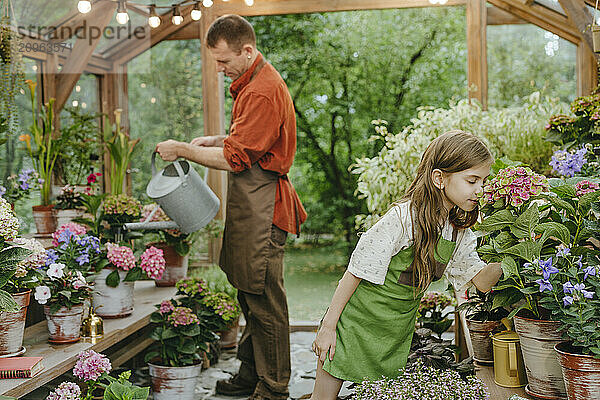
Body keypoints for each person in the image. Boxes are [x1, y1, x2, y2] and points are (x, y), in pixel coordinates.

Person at [155, 14, 307, 400]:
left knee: (265, 301)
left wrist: (185, 149)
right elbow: (252, 139)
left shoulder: (260, 90)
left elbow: (237, 158)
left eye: (223, 62)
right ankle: (251, 374)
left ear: (247, 50)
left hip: (265, 208)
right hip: (250, 205)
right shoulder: (253, 82)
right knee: (247, 292)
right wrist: (214, 138)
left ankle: (274, 388)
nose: (220, 70)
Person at [309, 130, 503, 400]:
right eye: (472, 180)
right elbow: (355, 272)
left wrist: (514, 251)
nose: (480, 190)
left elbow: (481, 280)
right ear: (439, 178)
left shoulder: (457, 231)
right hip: (353, 325)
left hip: (393, 333)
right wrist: (328, 328)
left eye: (483, 181)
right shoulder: (402, 218)